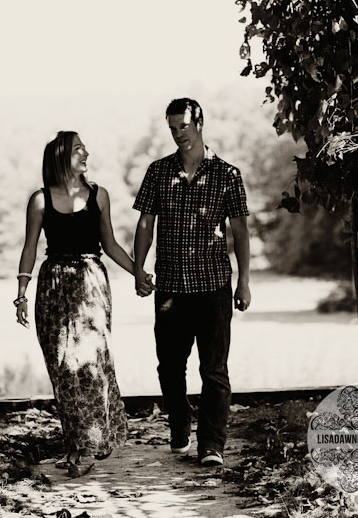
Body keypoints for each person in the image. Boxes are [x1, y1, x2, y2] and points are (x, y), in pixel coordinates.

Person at [15, 130, 146, 477]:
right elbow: (30, 247)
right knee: (63, 368)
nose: (85, 152)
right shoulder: (40, 200)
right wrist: (22, 292)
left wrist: (138, 273)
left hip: (91, 284)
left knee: (90, 363)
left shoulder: (99, 195)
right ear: (61, 157)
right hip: (54, 285)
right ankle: (77, 443)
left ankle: (86, 446)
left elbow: (111, 244)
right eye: (77, 149)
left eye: (84, 147)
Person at [133, 97, 251, 469]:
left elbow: (241, 232)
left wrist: (244, 281)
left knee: (214, 370)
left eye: (183, 126)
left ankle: (212, 445)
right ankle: (180, 423)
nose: (177, 134)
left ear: (199, 123)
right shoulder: (157, 172)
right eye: (171, 128)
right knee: (169, 366)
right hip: (170, 286)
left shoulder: (228, 175)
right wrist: (139, 268)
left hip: (214, 286)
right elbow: (145, 223)